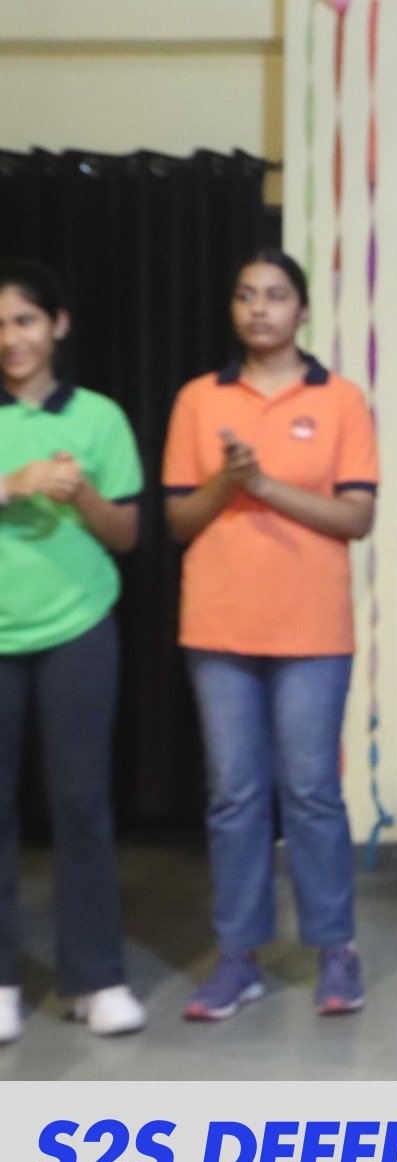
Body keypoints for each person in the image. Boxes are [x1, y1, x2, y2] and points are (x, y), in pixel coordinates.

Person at [163, 250, 379, 1021]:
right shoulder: (197, 399)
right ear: (233, 309)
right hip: (218, 626)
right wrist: (227, 480)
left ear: (302, 309)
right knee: (234, 795)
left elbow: (356, 516)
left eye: (277, 296)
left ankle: (336, 949)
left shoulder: (342, 399)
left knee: (313, 791)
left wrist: (263, 485)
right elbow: (180, 521)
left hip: (313, 632)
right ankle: (238, 957)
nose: (261, 309)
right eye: (247, 295)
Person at [0, 259, 145, 1042]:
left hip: (78, 630)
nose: (11, 338)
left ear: (57, 326)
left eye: (24, 320)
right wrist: (13, 482)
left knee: (82, 803)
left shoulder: (99, 417)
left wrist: (79, 491)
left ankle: (97, 976)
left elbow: (126, 533)